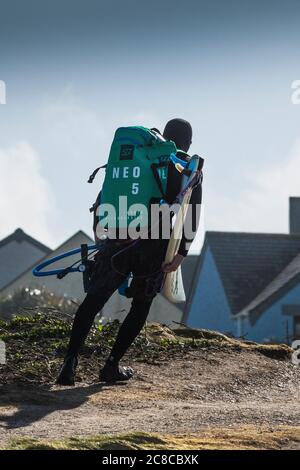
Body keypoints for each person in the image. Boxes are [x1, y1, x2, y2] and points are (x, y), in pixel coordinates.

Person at [56, 118, 202, 385]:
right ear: (188, 142)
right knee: (141, 304)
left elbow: (105, 195)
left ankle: (69, 363)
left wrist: (102, 234)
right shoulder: (187, 165)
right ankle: (111, 365)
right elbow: (191, 212)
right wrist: (181, 251)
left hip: (119, 237)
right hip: (154, 240)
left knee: (94, 301)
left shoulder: (140, 159)